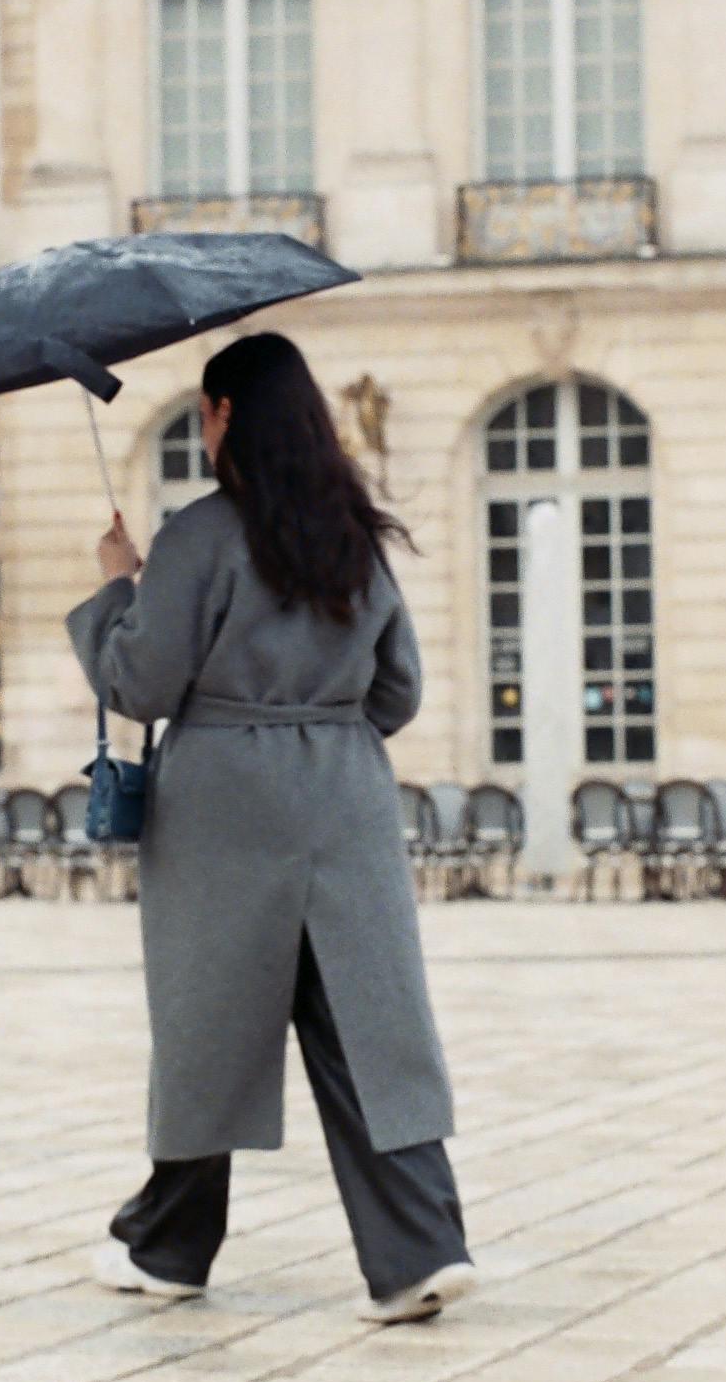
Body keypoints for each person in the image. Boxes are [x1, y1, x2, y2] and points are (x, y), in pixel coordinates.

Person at [69, 331, 473, 1326]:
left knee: (207, 1021)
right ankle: (417, 1249)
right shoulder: (355, 535)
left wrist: (116, 585)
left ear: (221, 416)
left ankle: (168, 1247)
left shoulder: (199, 535)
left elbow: (140, 682)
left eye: (205, 413)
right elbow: (398, 690)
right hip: (342, 791)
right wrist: (319, 730)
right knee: (364, 1021)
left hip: (218, 799)